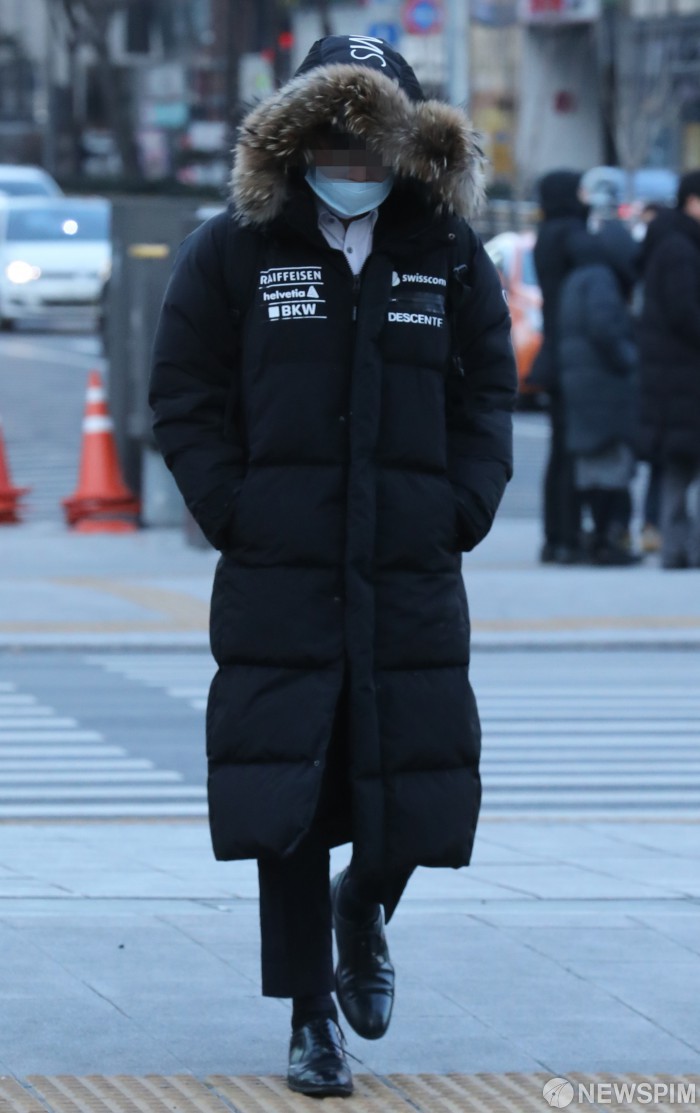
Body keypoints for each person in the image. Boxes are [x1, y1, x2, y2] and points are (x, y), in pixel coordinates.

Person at [149, 35, 517, 1098]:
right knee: (290, 792)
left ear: (412, 145)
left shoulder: (446, 250)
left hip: (407, 563)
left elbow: (488, 392)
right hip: (284, 566)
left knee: (415, 769)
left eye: (374, 142)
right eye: (334, 139)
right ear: (297, 137)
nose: (353, 163)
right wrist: (233, 508)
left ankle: (367, 904)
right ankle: (310, 1013)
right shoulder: (237, 248)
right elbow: (183, 390)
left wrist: (463, 505)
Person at [558, 222, 640, 565]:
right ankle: (610, 541)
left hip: (581, 386)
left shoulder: (579, 275)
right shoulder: (602, 279)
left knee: (591, 469)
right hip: (605, 388)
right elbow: (605, 328)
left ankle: (596, 538)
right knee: (613, 468)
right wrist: (631, 359)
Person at [528, 170, 592, 564]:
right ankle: (567, 535)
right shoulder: (571, 234)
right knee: (570, 449)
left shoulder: (548, 233)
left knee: (559, 450)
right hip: (570, 354)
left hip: (553, 351)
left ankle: (556, 536)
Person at [638, 169, 700, 569]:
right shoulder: (681, 247)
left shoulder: (672, 240)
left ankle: (677, 549)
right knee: (681, 466)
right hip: (684, 377)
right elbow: (684, 312)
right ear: (692, 201)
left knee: (679, 466)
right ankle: (682, 548)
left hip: (673, 376)